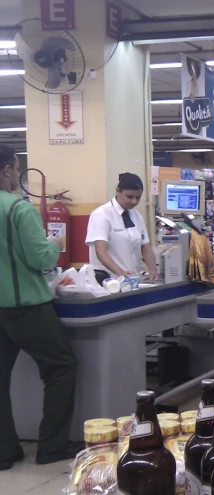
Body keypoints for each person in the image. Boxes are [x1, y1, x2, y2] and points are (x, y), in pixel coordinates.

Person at [0, 145, 80, 469]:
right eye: (17, 169)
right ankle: (52, 445)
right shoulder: (18, 209)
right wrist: (54, 244)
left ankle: (5, 451)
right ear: (6, 170)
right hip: (26, 306)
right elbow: (39, 257)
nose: (18, 175)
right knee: (61, 366)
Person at [86, 173, 158, 285]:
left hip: (132, 282)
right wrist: (121, 273)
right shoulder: (102, 215)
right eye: (129, 197)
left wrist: (153, 271)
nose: (134, 201)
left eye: (138, 197)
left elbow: (146, 247)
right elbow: (101, 252)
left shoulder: (137, 216)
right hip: (109, 282)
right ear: (118, 191)